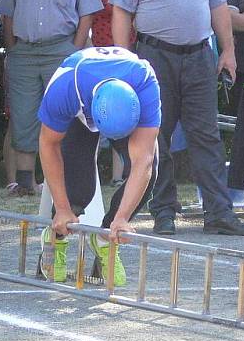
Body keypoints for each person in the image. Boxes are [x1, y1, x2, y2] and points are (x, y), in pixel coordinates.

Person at [110, 0, 244, 236]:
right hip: (153, 56)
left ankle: (219, 212)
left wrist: (229, 50)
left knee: (206, 135)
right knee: (155, 137)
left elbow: (218, 4)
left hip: (198, 56)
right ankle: (163, 213)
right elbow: (122, 11)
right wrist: (122, 59)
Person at [0, 0, 102, 196]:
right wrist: (12, 50)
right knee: (23, 115)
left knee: (64, 114)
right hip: (24, 53)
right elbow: (8, 12)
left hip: (62, 49)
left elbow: (88, 14)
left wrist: (75, 50)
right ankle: (26, 181)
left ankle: (64, 182)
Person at [37, 47, 160, 286]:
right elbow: (48, 145)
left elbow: (142, 162)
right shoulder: (64, 87)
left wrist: (122, 218)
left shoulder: (145, 83)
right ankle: (56, 237)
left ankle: (106, 239)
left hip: (124, 98)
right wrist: (62, 208)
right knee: (79, 190)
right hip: (78, 103)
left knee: (151, 172)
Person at [91, 0, 134, 186]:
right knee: (97, 112)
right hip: (102, 54)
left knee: (123, 112)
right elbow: (86, 18)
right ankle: (91, 175)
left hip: (131, 54)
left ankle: (120, 175)